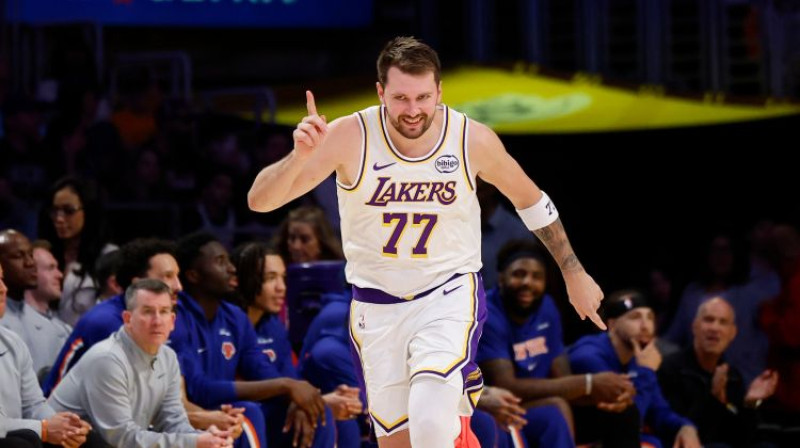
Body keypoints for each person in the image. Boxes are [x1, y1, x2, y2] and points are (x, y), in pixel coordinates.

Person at [248, 36, 604, 447]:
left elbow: (532, 201)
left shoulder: (470, 138)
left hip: (446, 295)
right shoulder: (350, 135)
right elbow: (260, 202)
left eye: (423, 97)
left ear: (439, 92)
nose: (413, 110)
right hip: (376, 307)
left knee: (432, 422)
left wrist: (573, 272)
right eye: (401, 98)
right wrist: (300, 156)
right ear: (381, 92)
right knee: (401, 441)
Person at [477, 240, 635, 447]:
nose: (527, 282)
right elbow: (506, 385)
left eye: (536, 276)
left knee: (622, 410)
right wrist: (588, 383)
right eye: (518, 274)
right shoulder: (487, 311)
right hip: (496, 405)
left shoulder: (547, 308)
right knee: (554, 409)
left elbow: (564, 380)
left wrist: (608, 392)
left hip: (534, 405)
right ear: (501, 278)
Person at [48, 279, 233, 448]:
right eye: (148, 312)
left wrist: (207, 437)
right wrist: (195, 443)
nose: (157, 321)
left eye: (164, 311)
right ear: (128, 319)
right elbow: (123, 438)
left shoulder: (168, 357)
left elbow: (172, 420)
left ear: (173, 321)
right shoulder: (107, 359)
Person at [568, 289, 702, 448]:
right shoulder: (588, 356)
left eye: (650, 317)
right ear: (612, 325)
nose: (645, 326)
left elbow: (660, 411)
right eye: (635, 317)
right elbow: (626, 421)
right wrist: (647, 372)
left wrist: (686, 427)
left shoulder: (639, 358)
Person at [659, 297, 778, 447]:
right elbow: (676, 431)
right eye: (709, 320)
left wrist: (750, 403)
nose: (715, 328)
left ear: (732, 333)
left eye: (723, 322)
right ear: (694, 326)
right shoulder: (671, 368)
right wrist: (712, 398)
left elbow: (743, 439)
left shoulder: (732, 376)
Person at [0, 262, 93, 448]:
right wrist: (43, 428)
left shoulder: (12, 342)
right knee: (19, 444)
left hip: (19, 434)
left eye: (1, 278)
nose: (3, 288)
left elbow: (33, 405)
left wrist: (65, 427)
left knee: (87, 440)